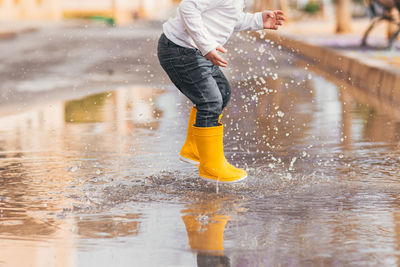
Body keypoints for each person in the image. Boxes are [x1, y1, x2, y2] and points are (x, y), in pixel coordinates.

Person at [157, 0, 285, 183]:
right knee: (209, 102)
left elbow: (228, 16)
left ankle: (194, 148)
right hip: (180, 50)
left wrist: (257, 20)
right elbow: (188, 7)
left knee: (222, 92)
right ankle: (211, 167)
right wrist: (206, 45)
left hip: (194, 51)